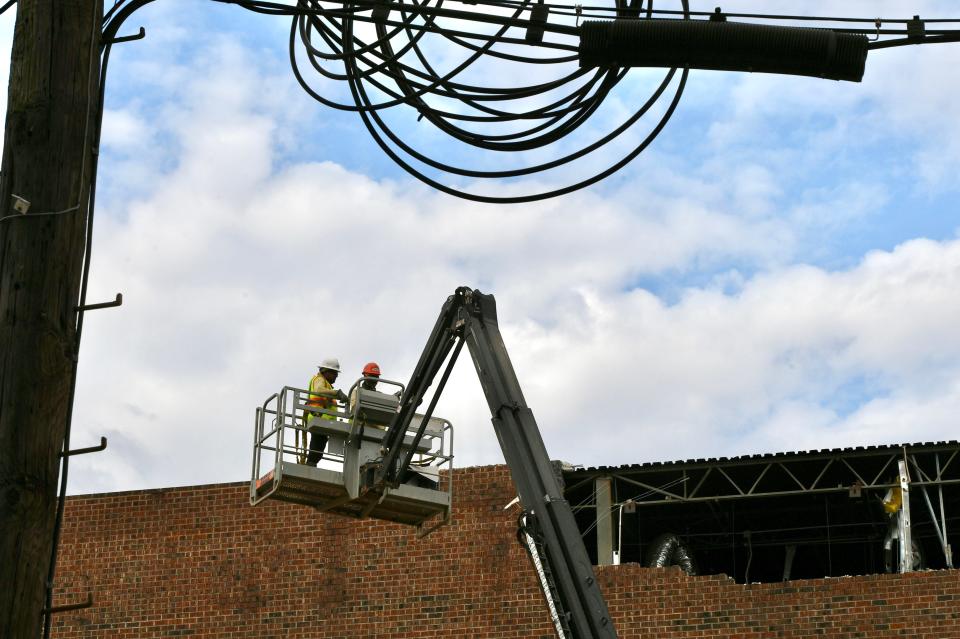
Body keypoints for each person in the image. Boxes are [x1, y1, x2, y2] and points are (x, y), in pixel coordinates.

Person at [304, 357, 347, 467]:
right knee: (317, 446)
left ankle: (312, 464)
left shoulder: (326, 384)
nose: (336, 376)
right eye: (335, 374)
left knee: (319, 447)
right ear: (327, 372)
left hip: (322, 420)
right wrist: (336, 393)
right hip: (319, 418)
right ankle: (310, 465)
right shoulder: (319, 379)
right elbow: (318, 390)